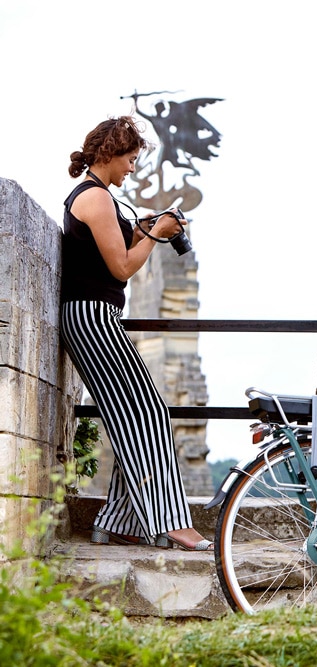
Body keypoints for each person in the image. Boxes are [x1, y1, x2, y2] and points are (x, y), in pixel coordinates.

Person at [60, 116, 211, 551]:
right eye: (129, 159)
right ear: (109, 153)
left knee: (138, 416)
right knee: (150, 414)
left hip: (90, 316)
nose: (132, 169)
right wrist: (157, 233)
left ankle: (118, 522)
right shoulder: (96, 198)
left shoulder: (97, 198)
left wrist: (143, 227)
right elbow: (123, 267)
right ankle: (172, 523)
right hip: (92, 318)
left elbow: (111, 252)